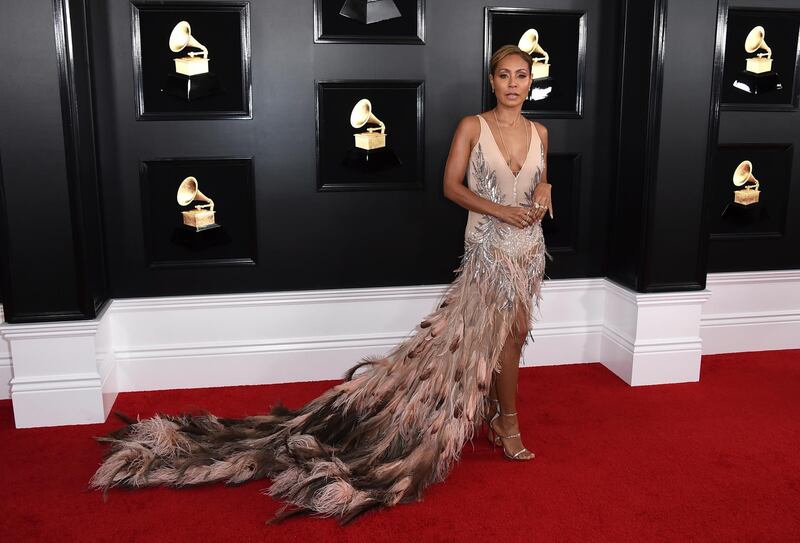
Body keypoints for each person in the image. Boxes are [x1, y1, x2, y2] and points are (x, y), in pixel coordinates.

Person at [90, 44, 552, 525]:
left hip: (527, 254)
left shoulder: (540, 131)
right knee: (493, 340)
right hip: (488, 253)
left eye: (522, 75)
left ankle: (499, 417)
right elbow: (450, 186)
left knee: (513, 335)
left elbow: (543, 182)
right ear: (493, 80)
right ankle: (508, 425)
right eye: (505, 75)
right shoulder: (472, 127)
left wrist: (545, 190)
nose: (515, 84)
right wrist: (500, 211)